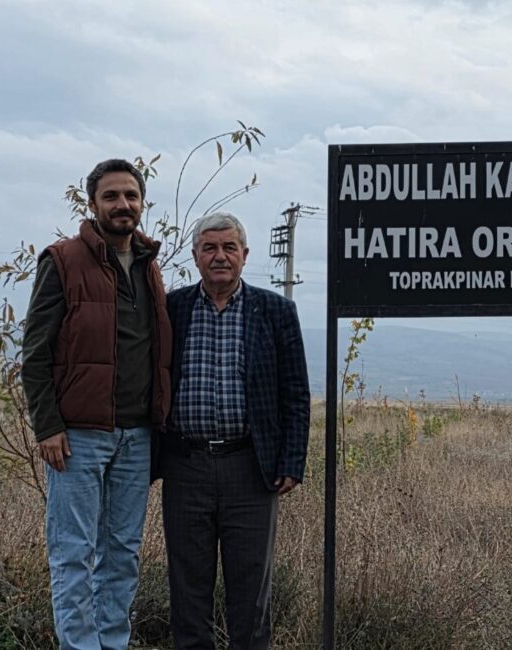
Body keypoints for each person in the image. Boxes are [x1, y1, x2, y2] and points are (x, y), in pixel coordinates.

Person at [22, 158, 172, 649]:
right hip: (77, 438)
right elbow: (35, 352)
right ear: (93, 205)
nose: (122, 204)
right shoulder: (62, 260)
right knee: (73, 554)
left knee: (123, 554)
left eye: (130, 196)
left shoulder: (149, 267)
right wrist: (47, 426)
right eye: (111, 196)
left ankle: (112, 643)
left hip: (137, 438)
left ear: (142, 203)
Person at [160, 211, 310, 650]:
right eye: (210, 247)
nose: (219, 256)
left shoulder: (276, 311)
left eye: (229, 248)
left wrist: (291, 461)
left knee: (250, 593)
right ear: (195, 256)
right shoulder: (173, 308)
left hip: (251, 467)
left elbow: (296, 393)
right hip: (186, 467)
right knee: (188, 588)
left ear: (245, 255)